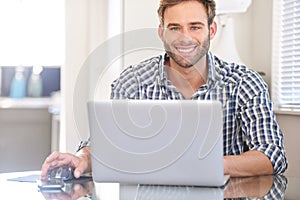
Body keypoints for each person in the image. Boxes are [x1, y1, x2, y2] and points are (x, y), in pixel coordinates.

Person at [41, 0, 287, 179]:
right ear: (162, 32)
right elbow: (106, 145)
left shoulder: (245, 83)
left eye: (195, 27)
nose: (185, 38)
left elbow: (272, 155)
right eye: (175, 28)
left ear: (211, 30)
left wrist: (206, 165)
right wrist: (83, 159)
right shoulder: (132, 83)